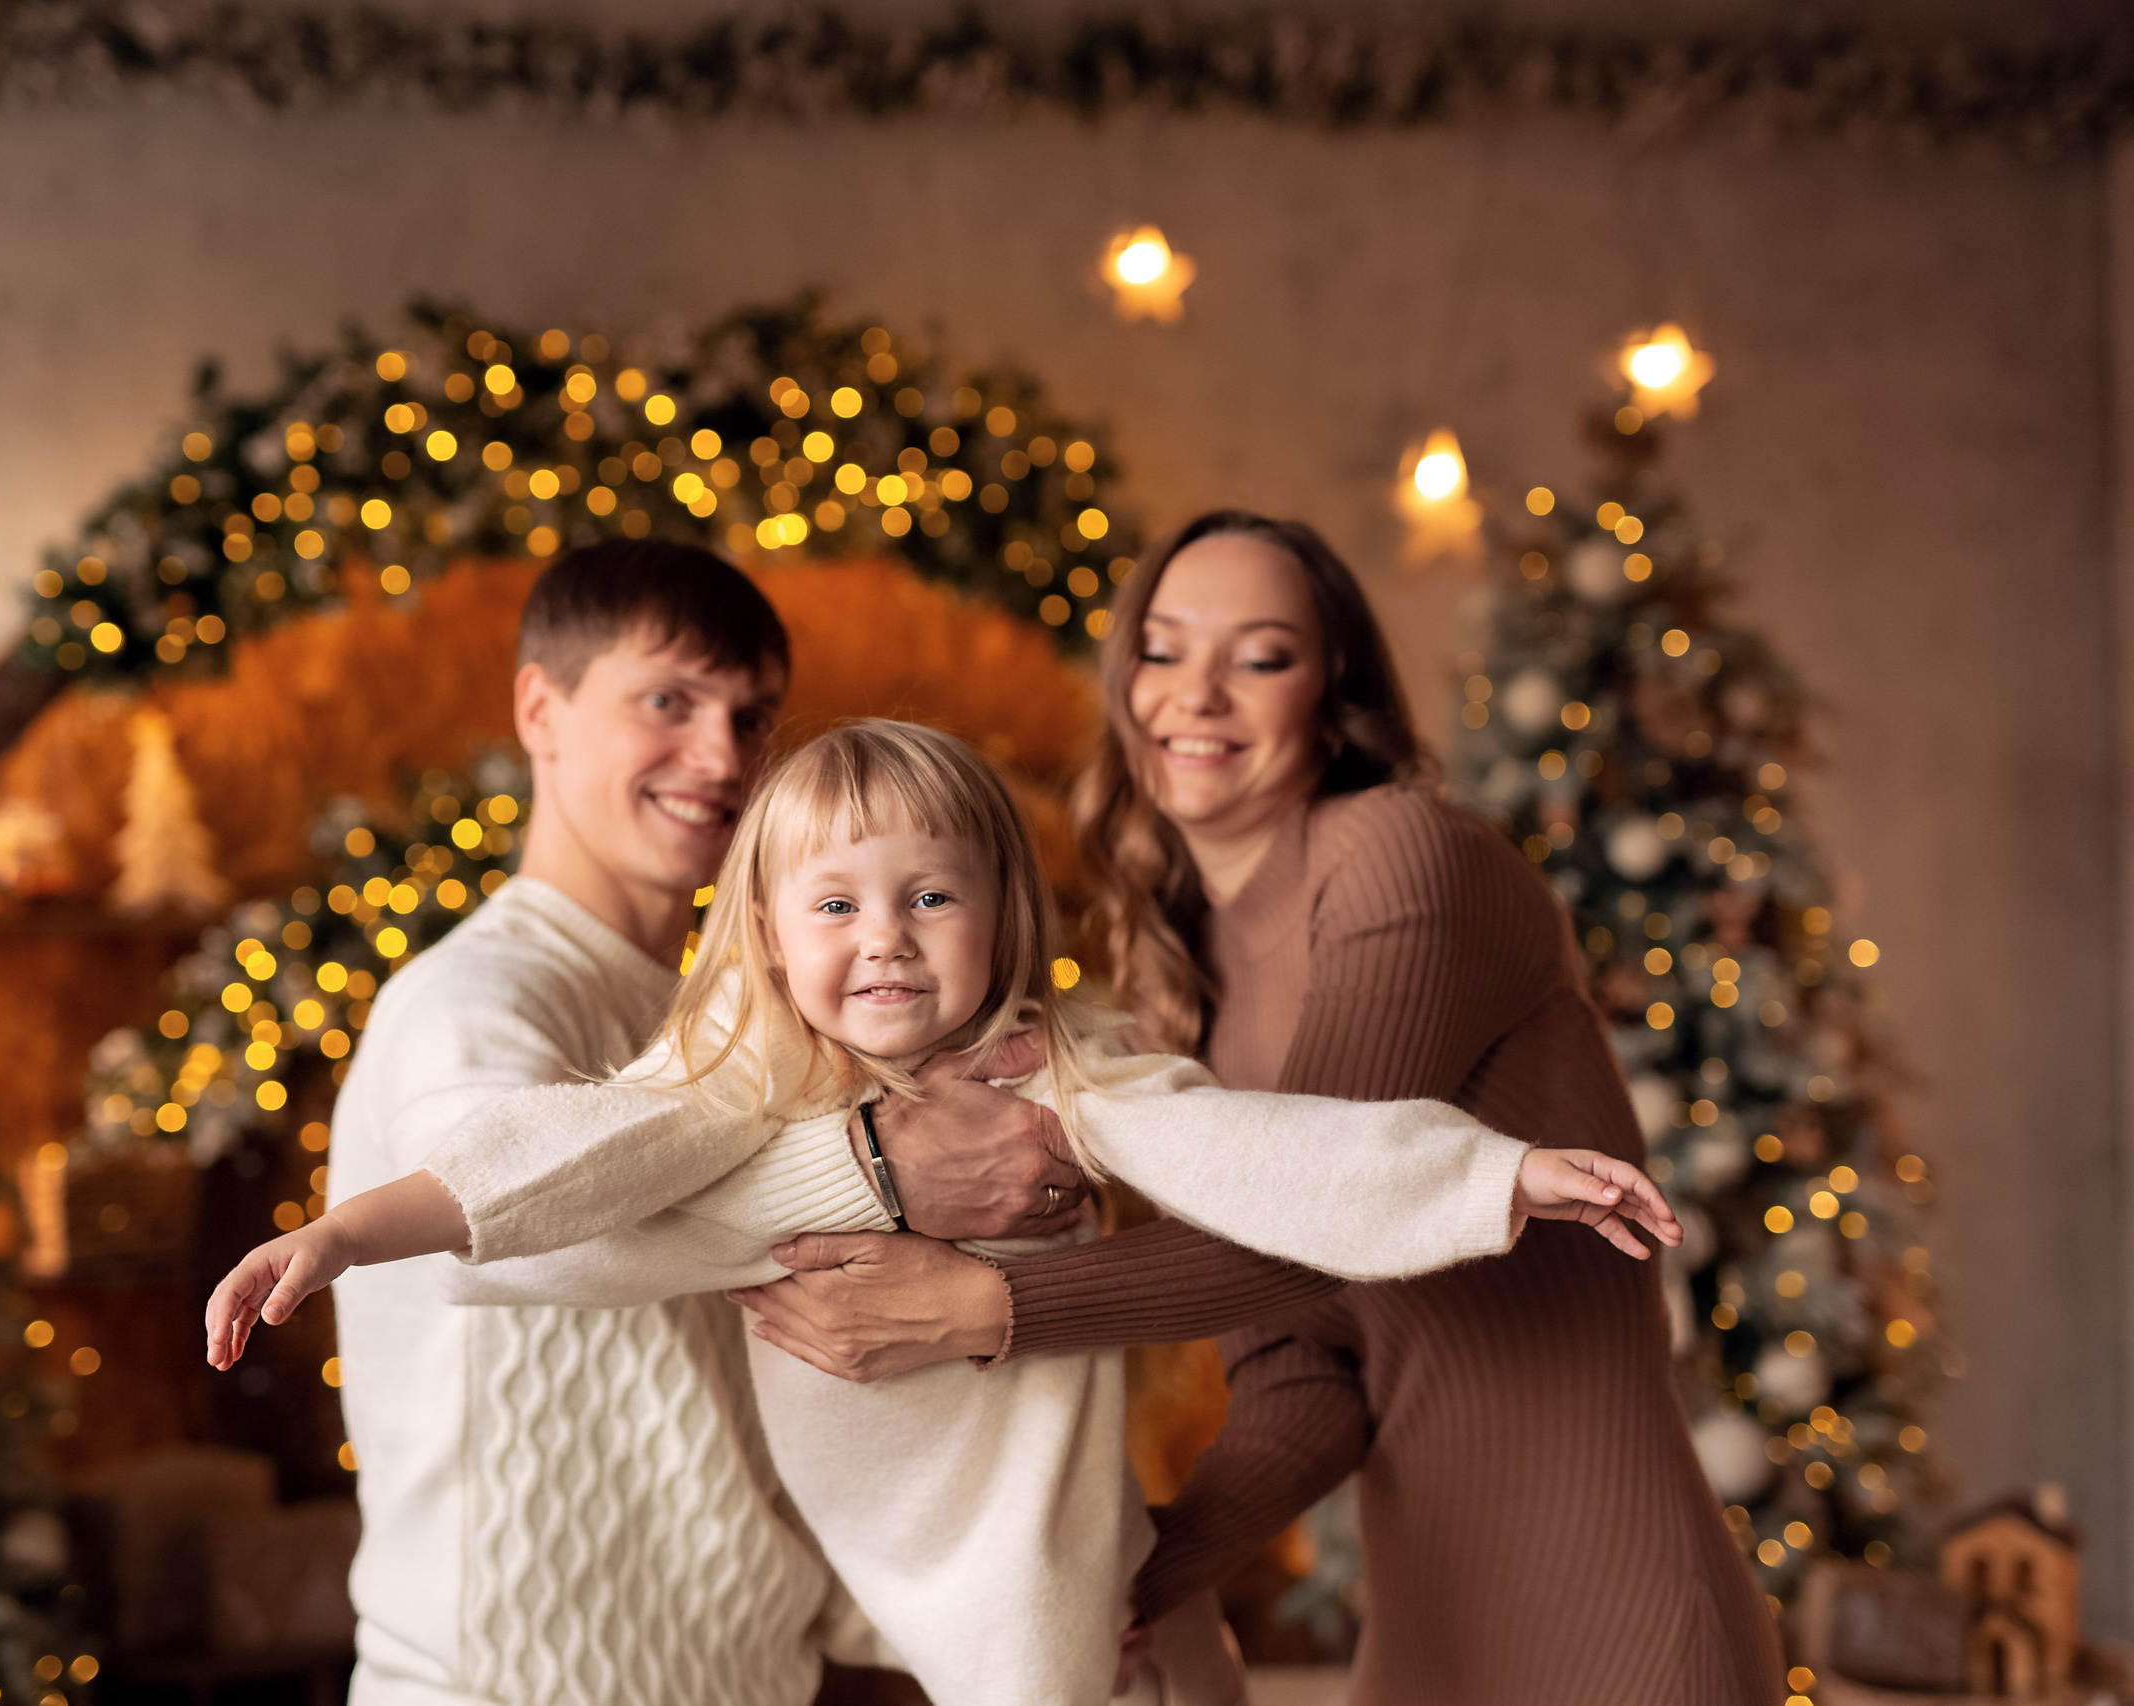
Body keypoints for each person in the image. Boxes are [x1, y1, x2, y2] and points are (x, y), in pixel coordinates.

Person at [213, 719, 1683, 1706]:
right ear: (772, 934)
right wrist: (345, 1231)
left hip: (1016, 1526)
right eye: (838, 905)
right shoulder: (741, 1071)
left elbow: (1262, 1151)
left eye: (931, 896)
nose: (887, 941)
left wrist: (1501, 1173)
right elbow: (556, 1157)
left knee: (1095, 1654)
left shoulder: (1054, 1059)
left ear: (1001, 914)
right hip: (851, 1533)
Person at [731, 514, 1788, 1704]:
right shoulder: (1183, 963)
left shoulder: (1398, 856)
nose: (1199, 694)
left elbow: (1312, 1221)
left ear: (1334, 693)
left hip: (1609, 1600)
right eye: (1165, 650)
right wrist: (1151, 1572)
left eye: (1262, 656)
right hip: (1420, 1629)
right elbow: (1306, 1366)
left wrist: (989, 1304)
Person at [317, 542, 1088, 1706]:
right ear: (542, 707)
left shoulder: (733, 1022)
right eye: (667, 701)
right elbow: (513, 1233)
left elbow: (752, 1382)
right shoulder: (474, 998)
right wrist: (878, 1169)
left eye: (752, 714)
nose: (721, 756)